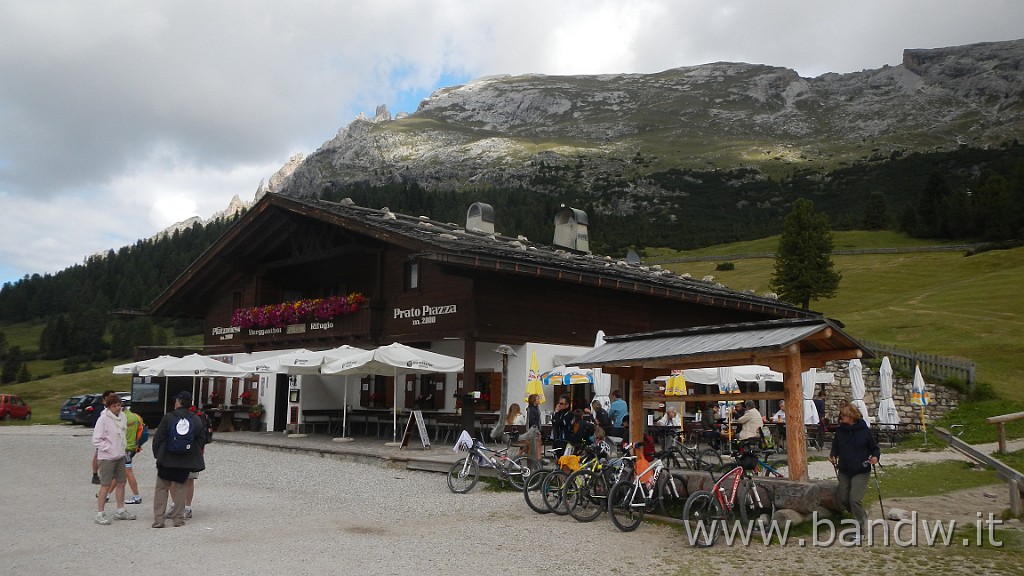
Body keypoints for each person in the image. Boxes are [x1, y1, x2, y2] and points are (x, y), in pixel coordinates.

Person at [152, 391, 207, 528]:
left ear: (179, 402)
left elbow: (158, 438)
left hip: (167, 459)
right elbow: (201, 439)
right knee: (181, 488)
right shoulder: (196, 419)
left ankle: (159, 519)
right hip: (185, 460)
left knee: (162, 488)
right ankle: (178, 519)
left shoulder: (169, 417)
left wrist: (158, 454)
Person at [829, 403, 881, 541]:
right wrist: (833, 454)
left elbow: (874, 448)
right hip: (844, 469)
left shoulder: (864, 431)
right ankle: (861, 515)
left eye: (844, 415)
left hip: (861, 470)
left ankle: (860, 531)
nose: (841, 418)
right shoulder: (841, 430)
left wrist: (875, 457)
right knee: (843, 499)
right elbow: (835, 446)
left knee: (854, 499)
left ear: (851, 416)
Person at [91, 395, 136, 525]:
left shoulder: (122, 417)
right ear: (109, 407)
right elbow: (96, 439)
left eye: (118, 405)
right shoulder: (103, 419)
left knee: (121, 482)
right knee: (105, 485)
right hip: (107, 457)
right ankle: (100, 513)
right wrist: (108, 448)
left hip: (120, 455)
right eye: (114, 406)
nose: (117, 408)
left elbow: (123, 434)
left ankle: (120, 510)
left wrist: (123, 447)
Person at [91, 390, 116, 485]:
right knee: (98, 454)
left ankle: (111, 472)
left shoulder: (115, 408)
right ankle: (95, 474)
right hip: (103, 436)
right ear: (105, 399)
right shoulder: (101, 410)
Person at [123, 406, 145, 505]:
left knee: (128, 472)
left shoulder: (121, 418)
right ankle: (107, 494)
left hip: (125, 449)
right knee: (120, 472)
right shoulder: (135, 416)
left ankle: (136, 496)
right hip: (133, 447)